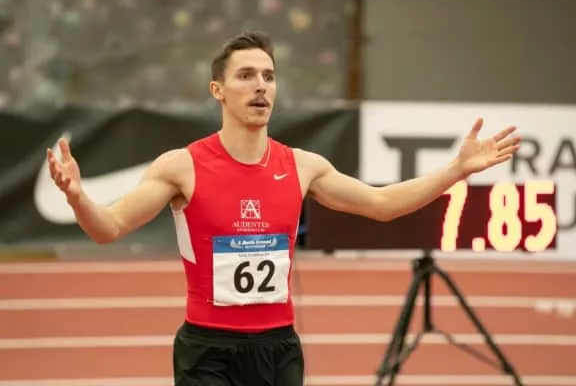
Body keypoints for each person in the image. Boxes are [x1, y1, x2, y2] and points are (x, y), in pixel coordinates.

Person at [46, 31, 521, 386]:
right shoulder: (182, 167)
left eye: (269, 77)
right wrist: (77, 197)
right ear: (217, 90)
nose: (261, 87)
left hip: (278, 349)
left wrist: (456, 170)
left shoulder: (302, 167)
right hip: (208, 350)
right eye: (246, 76)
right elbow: (109, 228)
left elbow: (382, 204)